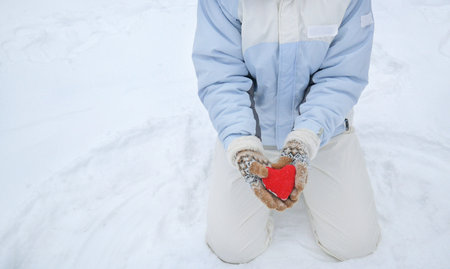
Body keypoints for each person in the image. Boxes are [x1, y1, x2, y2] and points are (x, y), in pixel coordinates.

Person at [192, 0, 381, 264]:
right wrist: (242, 143)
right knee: (232, 248)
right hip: (252, 132)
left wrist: (304, 141)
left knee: (356, 243)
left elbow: (342, 76)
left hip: (323, 133)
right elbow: (221, 75)